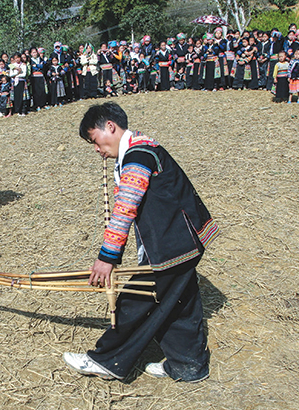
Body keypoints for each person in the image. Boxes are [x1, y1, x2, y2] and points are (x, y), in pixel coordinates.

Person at [63, 102, 219, 382]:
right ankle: (188, 365)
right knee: (180, 303)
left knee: (135, 302)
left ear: (109, 126)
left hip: (174, 246)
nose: (97, 150)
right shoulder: (141, 149)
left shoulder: (138, 154)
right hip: (182, 243)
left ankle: (106, 360)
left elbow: (125, 207)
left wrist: (107, 257)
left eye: (95, 141)